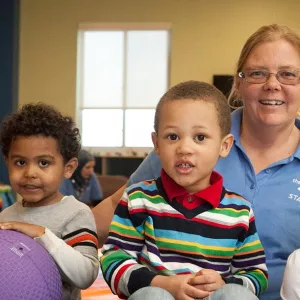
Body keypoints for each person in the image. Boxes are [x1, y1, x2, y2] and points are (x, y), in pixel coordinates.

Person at [93, 23, 300, 300]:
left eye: (288, 74)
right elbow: (114, 210)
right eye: (257, 73)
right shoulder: (184, 139)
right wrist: (48, 231)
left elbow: (255, 271)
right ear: (238, 83)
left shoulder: (237, 208)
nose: (272, 84)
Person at [101, 81, 268, 300]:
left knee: (238, 295)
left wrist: (224, 283)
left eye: (200, 137)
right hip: (158, 294)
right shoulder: (138, 198)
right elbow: (113, 260)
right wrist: (161, 284)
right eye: (172, 137)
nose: (184, 149)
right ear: (157, 144)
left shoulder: (239, 211)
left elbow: (257, 274)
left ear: (224, 146)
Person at [0, 103, 99, 300]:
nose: (30, 173)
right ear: (7, 162)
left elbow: (86, 275)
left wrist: (43, 235)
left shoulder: (76, 213)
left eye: (43, 163)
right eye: (20, 162)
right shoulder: (6, 216)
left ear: (68, 168)